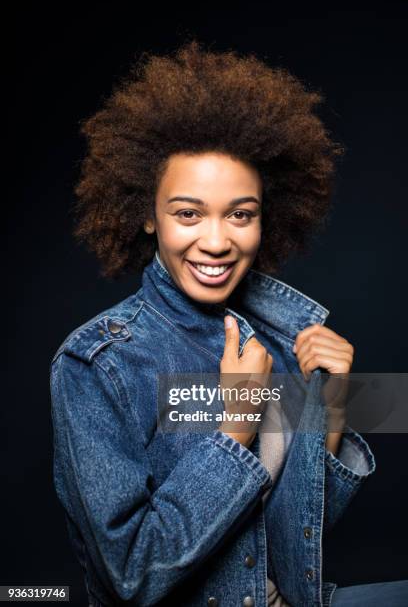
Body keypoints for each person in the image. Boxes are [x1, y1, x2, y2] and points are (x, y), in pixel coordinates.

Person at [50, 40, 408, 606]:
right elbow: (133, 576)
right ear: (147, 215)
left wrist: (331, 407)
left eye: (240, 214)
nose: (216, 241)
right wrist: (237, 420)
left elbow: (294, 547)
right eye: (188, 213)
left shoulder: (282, 340)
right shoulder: (98, 363)